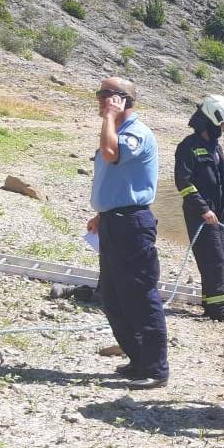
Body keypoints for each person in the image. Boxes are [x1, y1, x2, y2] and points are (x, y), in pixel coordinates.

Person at [85, 77, 168, 389]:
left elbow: (111, 154)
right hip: (113, 221)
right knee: (112, 295)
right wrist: (100, 214)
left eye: (106, 95)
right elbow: (118, 178)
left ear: (122, 100)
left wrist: (109, 117)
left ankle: (156, 369)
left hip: (132, 224)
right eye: (100, 95)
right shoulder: (115, 130)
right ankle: (138, 360)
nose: (100, 101)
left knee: (140, 295)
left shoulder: (134, 131)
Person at [174, 94, 224, 324]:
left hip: (216, 210)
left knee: (214, 256)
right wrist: (203, 209)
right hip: (200, 213)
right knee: (214, 259)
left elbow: (222, 175)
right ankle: (219, 310)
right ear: (210, 122)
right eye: (222, 125)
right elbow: (183, 183)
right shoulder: (188, 147)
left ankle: (210, 303)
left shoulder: (215, 147)